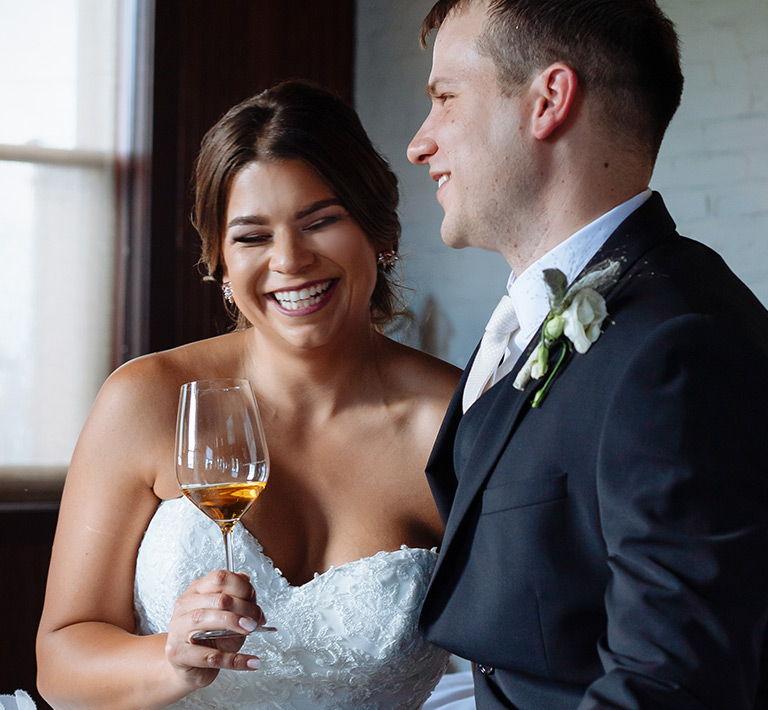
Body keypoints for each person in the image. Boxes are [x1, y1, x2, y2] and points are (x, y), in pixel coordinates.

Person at [36, 80, 463, 709]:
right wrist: (172, 660)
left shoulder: (457, 420)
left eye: (321, 221)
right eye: (252, 236)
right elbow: (61, 660)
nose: (289, 259)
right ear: (221, 261)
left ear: (380, 232)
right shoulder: (149, 400)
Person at [407, 1, 768, 708]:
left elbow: (671, 686)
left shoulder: (678, 348)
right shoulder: (548, 314)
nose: (420, 144)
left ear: (548, 101)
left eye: (445, 98)